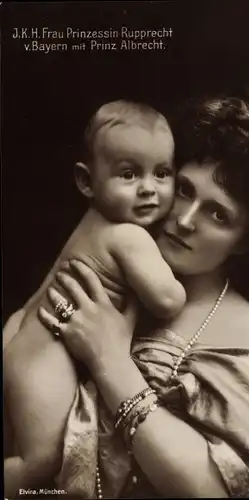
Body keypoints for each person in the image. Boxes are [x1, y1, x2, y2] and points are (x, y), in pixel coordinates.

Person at [5, 89, 249, 498]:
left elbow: (212, 493)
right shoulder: (110, 268)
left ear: (245, 240)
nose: (185, 220)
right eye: (184, 190)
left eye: (218, 214)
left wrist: (110, 360)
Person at [3, 100, 186, 497]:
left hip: (21, 336)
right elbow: (168, 300)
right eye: (128, 173)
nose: (149, 189)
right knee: (40, 461)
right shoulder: (130, 236)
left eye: (163, 173)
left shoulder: (90, 223)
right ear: (87, 182)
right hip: (44, 358)